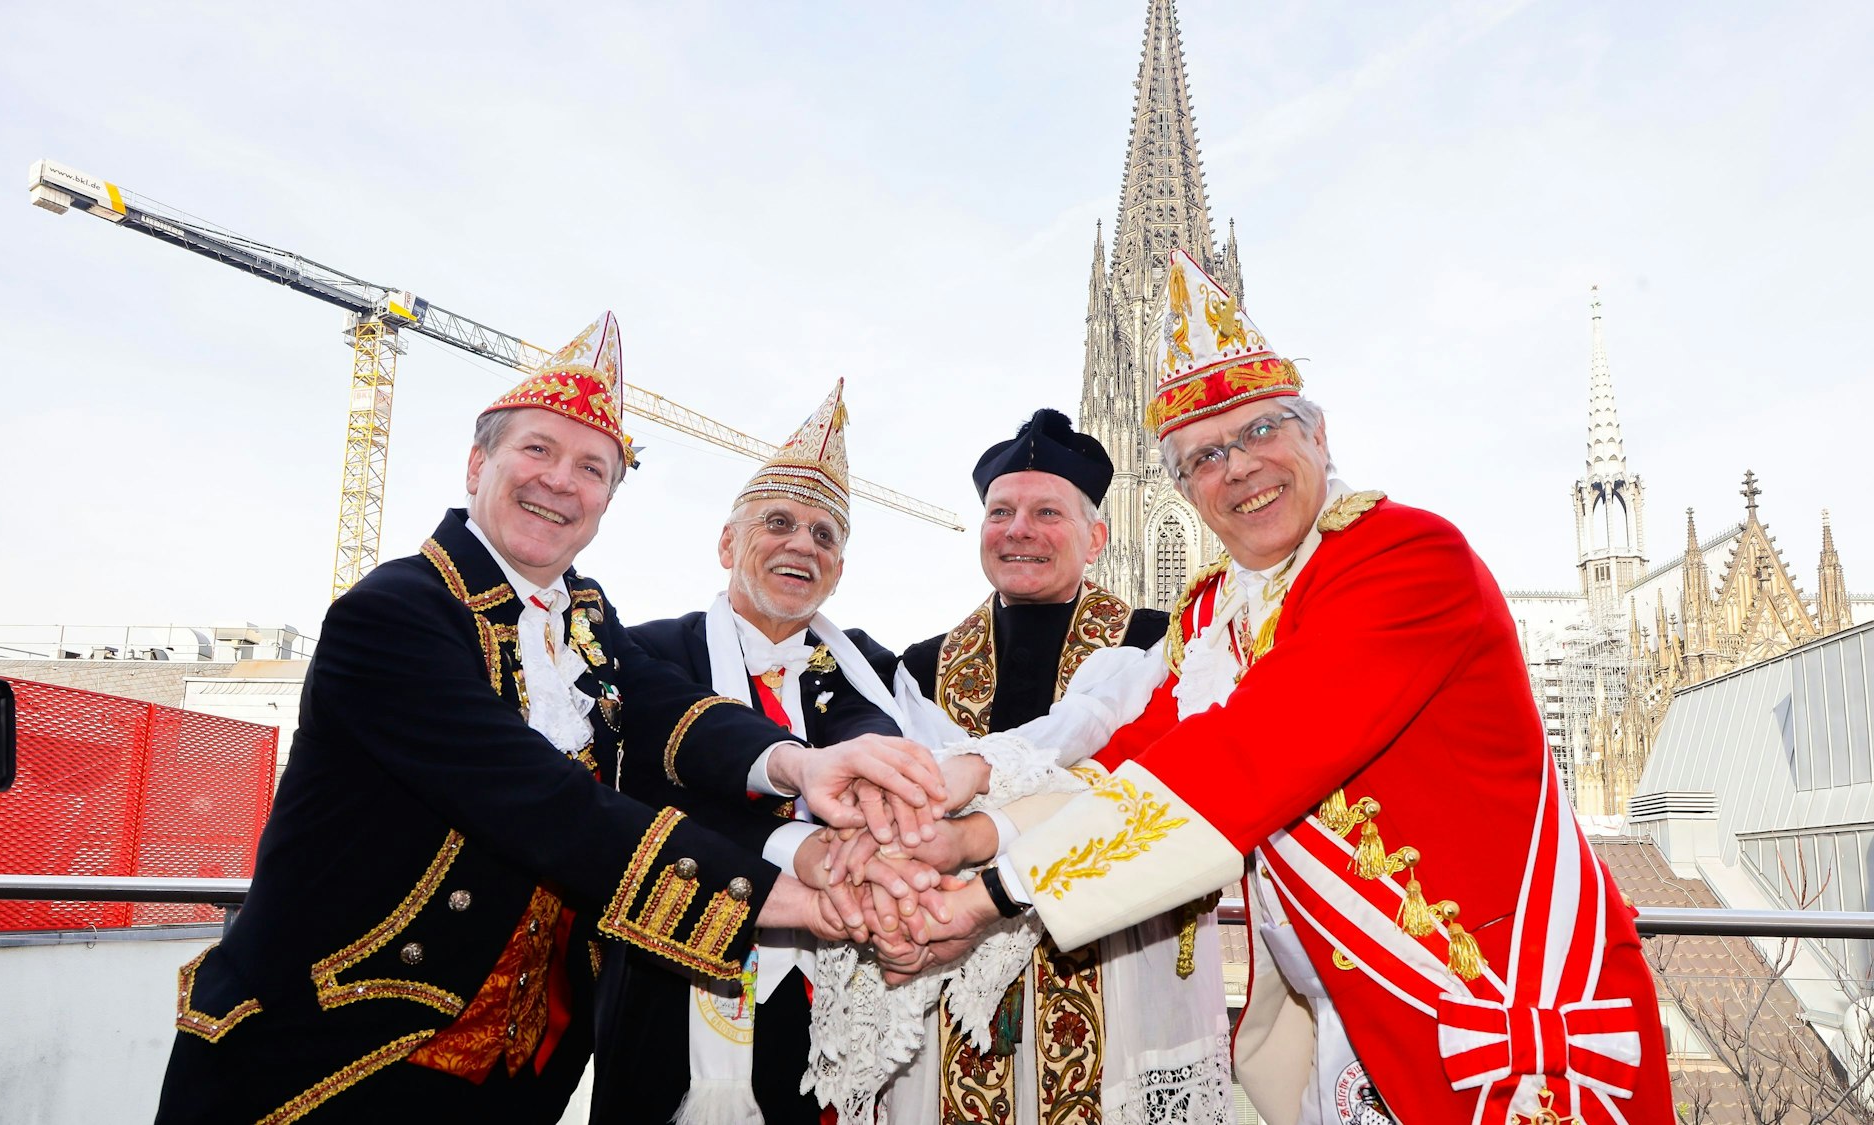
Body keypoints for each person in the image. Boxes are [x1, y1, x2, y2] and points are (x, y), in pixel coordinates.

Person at [888, 254, 1677, 1125]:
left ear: (1319, 434)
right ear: (1181, 491)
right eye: (1203, 457)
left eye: (1261, 430)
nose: (1238, 468)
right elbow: (1124, 762)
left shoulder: (1405, 558)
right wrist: (965, 840)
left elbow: (1240, 761)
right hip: (1345, 1028)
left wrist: (987, 896)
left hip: (1495, 1022)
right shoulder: (1214, 611)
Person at [154, 314, 945, 1124]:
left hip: (517, 1074)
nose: (561, 481)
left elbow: (673, 711)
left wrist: (798, 766)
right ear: (477, 462)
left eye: (592, 467)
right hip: (335, 1056)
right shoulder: (394, 613)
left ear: (607, 498)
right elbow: (542, 802)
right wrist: (792, 898)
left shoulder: (586, 617)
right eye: (537, 450)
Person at [591, 380, 961, 1124]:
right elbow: (648, 804)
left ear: (840, 571)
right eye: (780, 523)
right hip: (673, 988)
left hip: (833, 999)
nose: (803, 544)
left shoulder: (871, 673)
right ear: (728, 542)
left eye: (826, 536)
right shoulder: (652, 651)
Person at [865, 409, 1233, 1124]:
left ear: (1096, 536)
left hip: (1116, 967)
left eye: (1045, 512)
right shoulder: (921, 665)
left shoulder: (1161, 645)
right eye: (1000, 512)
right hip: (949, 981)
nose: (1019, 530)